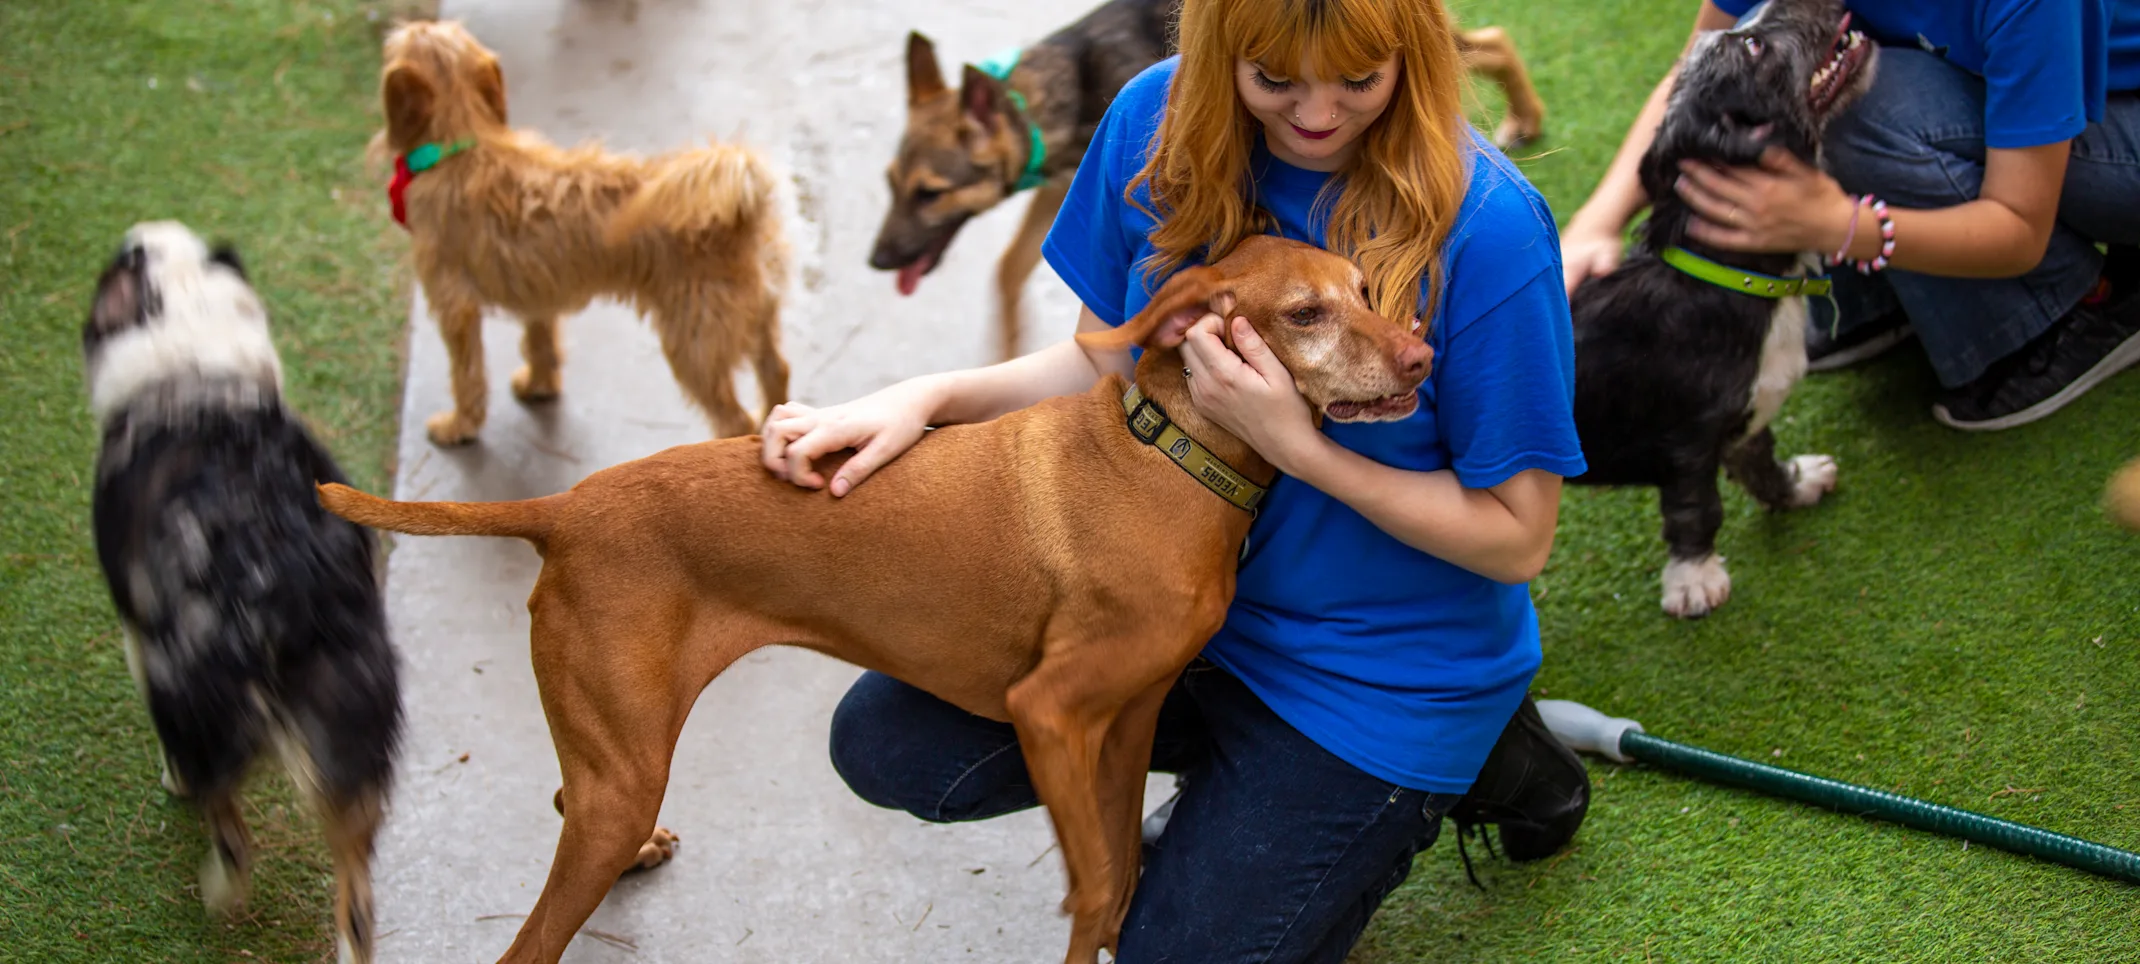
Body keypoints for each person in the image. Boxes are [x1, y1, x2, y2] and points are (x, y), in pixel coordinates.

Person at [758, 0, 1588, 957]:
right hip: (1182, 609)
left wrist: (1299, 447)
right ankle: (1259, 794)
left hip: (1375, 671)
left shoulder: (1491, 229)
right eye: (1274, 78)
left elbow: (1517, 535)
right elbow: (1106, 364)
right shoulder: (1155, 117)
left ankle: (1484, 755)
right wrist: (930, 396)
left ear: (1412, 52)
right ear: (1219, 48)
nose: (1316, 115)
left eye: (1358, 80)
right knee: (887, 743)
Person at [1561, 0, 2140, 432]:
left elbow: (2019, 227)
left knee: (1866, 101)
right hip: (2004, 80)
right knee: (1790, 60)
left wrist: (1839, 226)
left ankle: (2066, 316)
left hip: (2125, 131)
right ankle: (1885, 297)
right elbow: (1708, 56)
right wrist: (1598, 220)